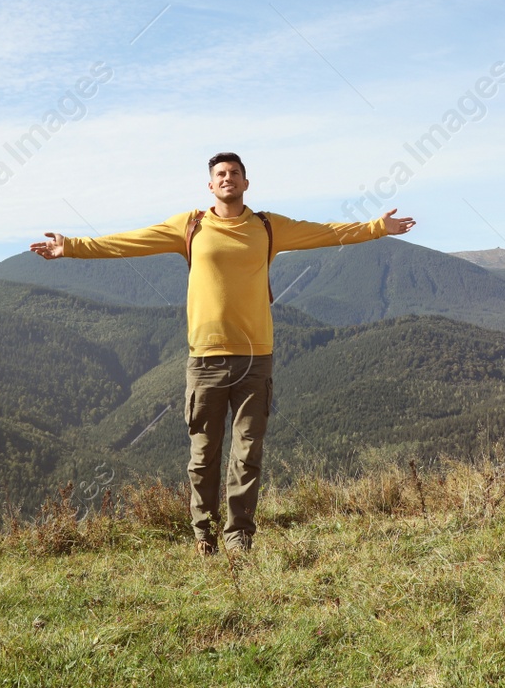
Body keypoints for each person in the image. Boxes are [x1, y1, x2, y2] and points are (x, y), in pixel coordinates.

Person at [29, 152, 415, 554]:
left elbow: (324, 232)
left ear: (246, 184)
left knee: (247, 453)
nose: (227, 178)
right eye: (220, 174)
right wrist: (71, 246)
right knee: (203, 455)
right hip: (206, 359)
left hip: (255, 357)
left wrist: (376, 228)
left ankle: (238, 536)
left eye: (234, 173)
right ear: (210, 186)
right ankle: (204, 534)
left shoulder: (268, 227)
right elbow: (131, 242)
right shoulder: (191, 226)